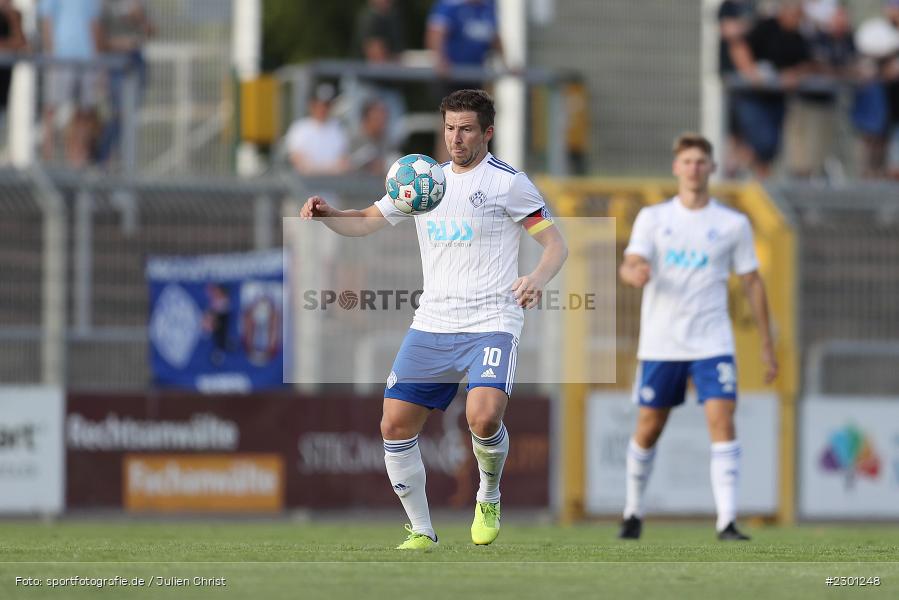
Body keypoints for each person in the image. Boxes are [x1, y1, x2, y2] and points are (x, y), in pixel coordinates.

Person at [300, 89, 567, 550]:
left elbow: (556, 244)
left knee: (482, 419)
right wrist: (328, 215)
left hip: (492, 318)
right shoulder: (424, 182)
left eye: (465, 129)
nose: (455, 138)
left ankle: (488, 494)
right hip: (434, 322)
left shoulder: (509, 183)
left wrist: (537, 279)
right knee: (394, 426)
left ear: (487, 132)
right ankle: (422, 529)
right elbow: (365, 220)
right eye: (448, 128)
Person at [617, 133, 777, 542]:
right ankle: (633, 511)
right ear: (676, 168)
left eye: (701, 162)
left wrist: (766, 344)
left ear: (712, 168)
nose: (694, 168)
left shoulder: (732, 224)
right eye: (687, 161)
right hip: (662, 342)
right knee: (649, 426)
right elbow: (631, 261)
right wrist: (633, 271)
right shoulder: (654, 218)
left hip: (712, 342)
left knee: (722, 419)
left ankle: (727, 521)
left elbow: (753, 282)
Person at [729, 0, 813, 178]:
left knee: (770, 148)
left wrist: (794, 75)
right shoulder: (766, 27)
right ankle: (735, 172)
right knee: (760, 141)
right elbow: (739, 46)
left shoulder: (798, 35)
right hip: (752, 96)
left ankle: (758, 182)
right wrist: (751, 72)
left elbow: (807, 63)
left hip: (776, 99)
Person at [40, 0, 104, 167]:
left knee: (85, 110)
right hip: (61, 57)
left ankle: (77, 158)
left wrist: (98, 62)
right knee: (52, 107)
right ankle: (48, 158)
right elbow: (47, 20)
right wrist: (52, 54)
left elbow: (94, 24)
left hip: (87, 59)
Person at [95, 0, 155, 165]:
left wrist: (140, 18)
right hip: (114, 62)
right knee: (118, 114)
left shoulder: (139, 4)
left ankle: (121, 164)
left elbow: (151, 31)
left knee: (129, 116)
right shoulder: (104, 5)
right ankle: (102, 160)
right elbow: (98, 37)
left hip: (135, 61)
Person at [284, 83, 349, 176]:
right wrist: (328, 169)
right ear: (312, 105)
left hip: (332, 187)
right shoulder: (299, 128)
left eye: (327, 105)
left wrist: (317, 169)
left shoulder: (339, 129)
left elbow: (343, 162)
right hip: (304, 188)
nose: (323, 108)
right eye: (320, 104)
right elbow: (297, 159)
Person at [348, 98, 398, 174]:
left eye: (384, 118)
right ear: (366, 119)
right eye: (377, 119)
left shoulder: (387, 140)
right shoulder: (352, 139)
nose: (382, 123)